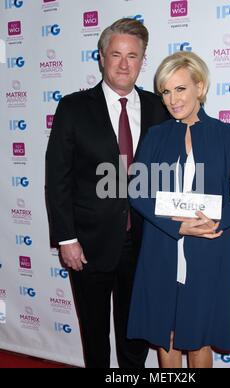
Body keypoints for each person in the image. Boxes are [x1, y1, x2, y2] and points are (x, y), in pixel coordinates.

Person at [45, 18, 169, 368]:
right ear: (101, 57)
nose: (124, 64)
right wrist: (66, 238)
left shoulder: (160, 108)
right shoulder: (73, 108)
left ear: (143, 60)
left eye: (133, 55)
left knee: (136, 335)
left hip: (145, 243)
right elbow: (58, 179)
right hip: (87, 244)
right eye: (116, 54)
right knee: (95, 336)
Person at [127, 51, 230, 368]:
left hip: (207, 250)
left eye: (180, 89)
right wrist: (177, 227)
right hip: (162, 247)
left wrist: (217, 221)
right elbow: (137, 191)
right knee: (166, 336)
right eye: (166, 91)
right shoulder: (156, 135)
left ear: (199, 87)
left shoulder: (228, 136)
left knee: (199, 339)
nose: (172, 99)